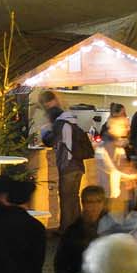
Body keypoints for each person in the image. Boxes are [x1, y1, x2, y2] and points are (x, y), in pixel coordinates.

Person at [55, 183, 110, 273]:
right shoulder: (73, 232)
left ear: (103, 203)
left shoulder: (112, 229)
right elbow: (61, 262)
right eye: (89, 202)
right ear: (83, 203)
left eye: (97, 201)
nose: (93, 207)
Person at [42, 92, 90, 230]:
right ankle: (77, 228)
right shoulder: (73, 122)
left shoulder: (59, 124)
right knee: (74, 197)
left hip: (67, 165)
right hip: (78, 165)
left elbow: (50, 141)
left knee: (66, 198)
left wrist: (45, 131)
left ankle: (66, 230)